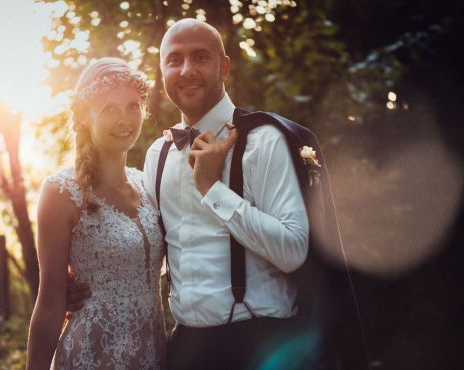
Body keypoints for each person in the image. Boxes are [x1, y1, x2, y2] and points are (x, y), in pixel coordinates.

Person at [69, 19, 324, 369]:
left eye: (200, 57)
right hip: (187, 348)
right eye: (174, 60)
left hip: (261, 342)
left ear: (224, 66)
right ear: (162, 73)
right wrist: (94, 283)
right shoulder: (158, 155)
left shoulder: (264, 141)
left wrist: (213, 189)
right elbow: (155, 249)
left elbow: (293, 251)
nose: (187, 70)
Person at [26, 57, 167, 370]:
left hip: (153, 356)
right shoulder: (61, 192)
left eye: (133, 106)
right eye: (109, 109)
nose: (125, 119)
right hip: (90, 357)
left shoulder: (149, 184)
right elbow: (49, 302)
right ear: (85, 117)